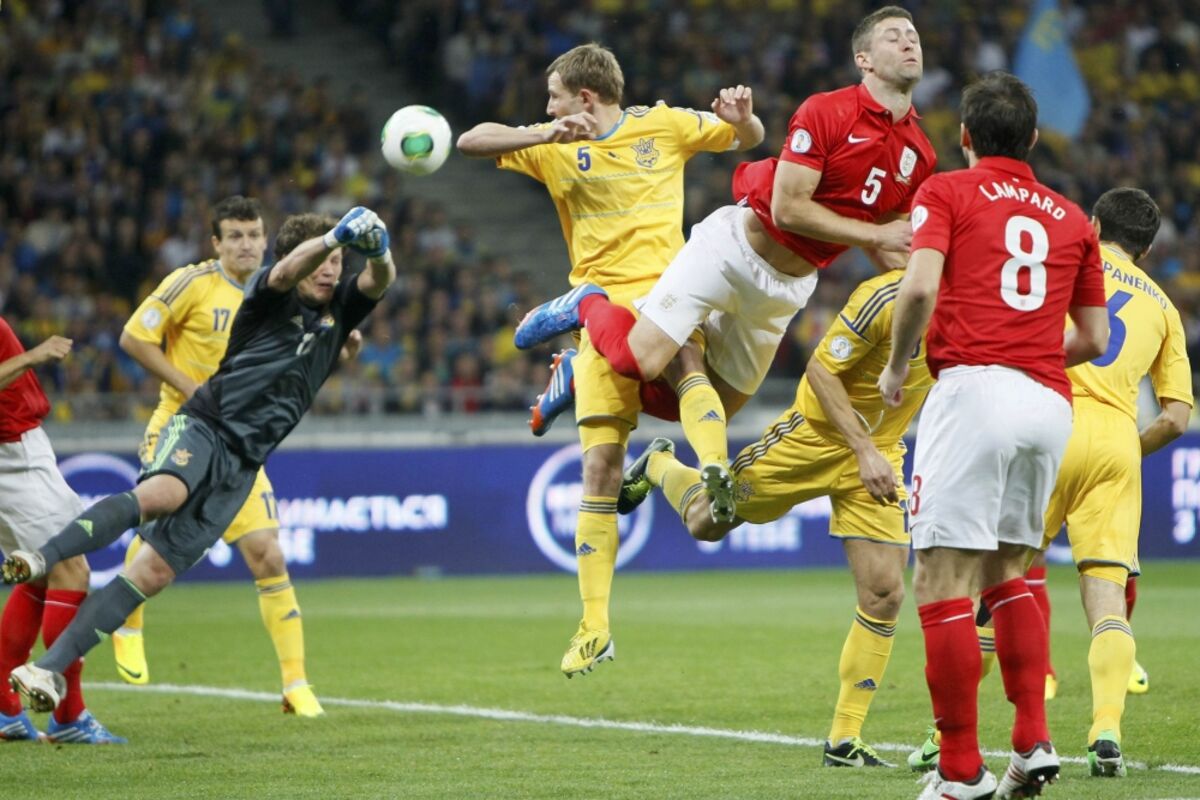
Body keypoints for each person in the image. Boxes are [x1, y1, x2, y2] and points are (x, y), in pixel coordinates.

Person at [513, 6, 934, 524]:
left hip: (786, 287)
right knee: (640, 363)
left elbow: (890, 244)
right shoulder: (827, 111)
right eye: (894, 36)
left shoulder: (919, 151)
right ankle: (587, 304)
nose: (909, 42)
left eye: (913, 36)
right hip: (730, 251)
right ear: (863, 59)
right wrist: (878, 234)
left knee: (704, 404)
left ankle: (627, 427)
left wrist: (930, 280)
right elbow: (789, 209)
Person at [2, 207, 394, 726]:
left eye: (338, 261)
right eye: (322, 259)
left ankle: (46, 669)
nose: (329, 269)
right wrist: (334, 237)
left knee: (153, 572)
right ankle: (41, 556)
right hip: (207, 423)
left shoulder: (340, 312)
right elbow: (282, 272)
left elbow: (379, 280)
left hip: (244, 463)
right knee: (163, 495)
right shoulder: (267, 293)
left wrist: (379, 249)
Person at [457, 43, 764, 678]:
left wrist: (744, 118)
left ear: (585, 95)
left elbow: (748, 138)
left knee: (687, 367)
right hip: (599, 319)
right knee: (600, 469)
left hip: (668, 294)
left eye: (554, 98)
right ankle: (594, 627)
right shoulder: (551, 144)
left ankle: (713, 467)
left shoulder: (663, 125)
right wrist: (542, 132)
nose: (548, 107)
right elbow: (470, 142)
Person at [878, 72, 1109, 800]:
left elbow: (919, 286)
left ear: (965, 137)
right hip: (1048, 402)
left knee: (940, 580)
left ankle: (958, 772)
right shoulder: (1073, 218)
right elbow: (1094, 338)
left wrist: (896, 367)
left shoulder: (946, 191)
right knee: (1010, 572)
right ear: (1034, 139)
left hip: (974, 392)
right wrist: (1029, 350)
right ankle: (1033, 741)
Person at [621, 267, 932, 768]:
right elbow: (821, 372)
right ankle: (659, 463)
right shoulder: (884, 297)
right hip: (812, 441)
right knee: (706, 521)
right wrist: (861, 449)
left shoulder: (977, 302)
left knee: (885, 593)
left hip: (882, 451)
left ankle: (844, 740)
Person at [114, 195, 339, 717]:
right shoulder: (191, 283)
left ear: (265, 239)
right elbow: (133, 338)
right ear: (215, 243)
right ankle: (128, 625)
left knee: (269, 553)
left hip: (239, 441)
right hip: (180, 426)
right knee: (160, 519)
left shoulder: (281, 289)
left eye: (254, 234)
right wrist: (189, 386)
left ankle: (296, 684)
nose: (246, 245)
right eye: (234, 236)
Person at [1040, 187, 1191, 776]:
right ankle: (1106, 731)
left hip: (1047, 417)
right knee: (1107, 597)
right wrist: (1129, 448)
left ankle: (947, 737)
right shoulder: (1164, 307)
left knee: (1000, 582)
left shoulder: (1060, 260)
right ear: (1147, 249)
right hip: (1115, 438)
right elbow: (1176, 418)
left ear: (1094, 225)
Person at [0, 321, 124, 744]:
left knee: (37, 574)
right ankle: (69, 715)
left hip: (15, 448)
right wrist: (34, 356)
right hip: (12, 453)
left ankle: (5, 709)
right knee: (69, 569)